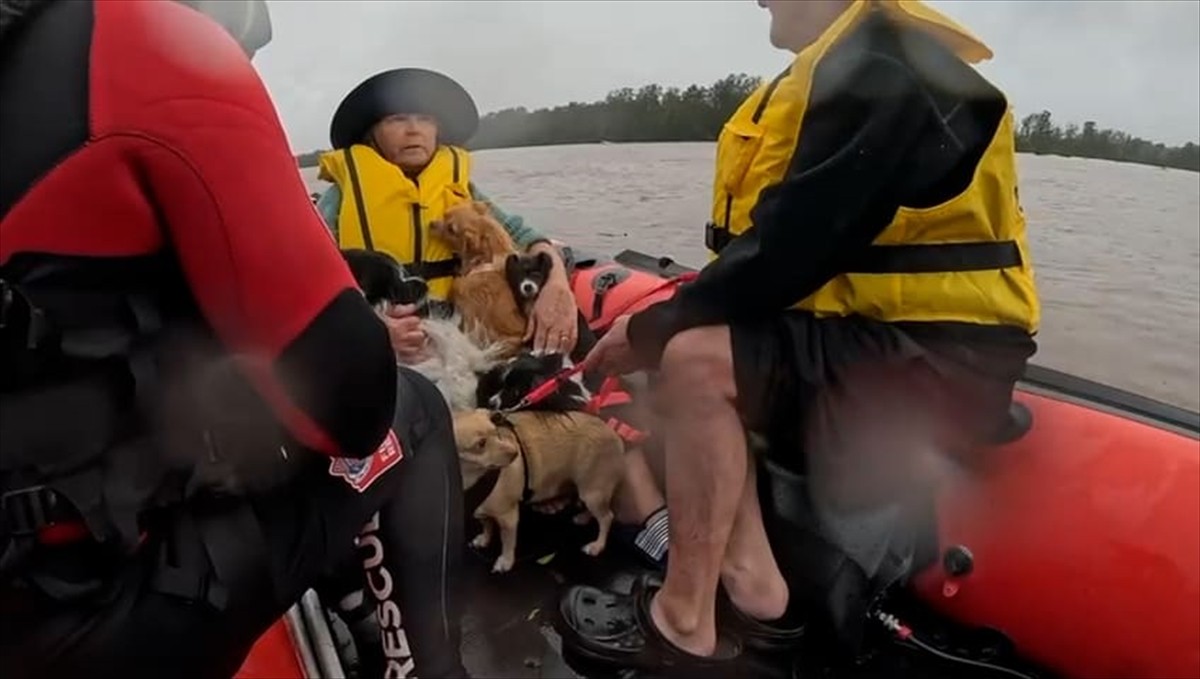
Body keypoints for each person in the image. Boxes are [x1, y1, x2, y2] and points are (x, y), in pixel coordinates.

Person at [556, 0, 1040, 673]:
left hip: (943, 360)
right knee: (696, 342)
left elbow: (792, 248)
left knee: (694, 356)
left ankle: (684, 620)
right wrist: (669, 322)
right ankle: (756, 586)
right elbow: (780, 262)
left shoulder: (889, 68)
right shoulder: (850, 66)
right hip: (875, 337)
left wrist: (648, 327)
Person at [0, 1, 467, 677]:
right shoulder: (144, 41)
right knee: (413, 406)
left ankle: (354, 603)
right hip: (84, 614)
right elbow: (352, 405)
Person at [314, 69, 580, 360]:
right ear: (371, 136)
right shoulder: (341, 196)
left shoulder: (461, 189)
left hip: (461, 335)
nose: (414, 129)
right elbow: (305, 277)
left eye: (425, 119)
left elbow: (528, 238)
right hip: (388, 347)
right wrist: (374, 331)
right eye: (396, 119)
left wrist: (557, 285)